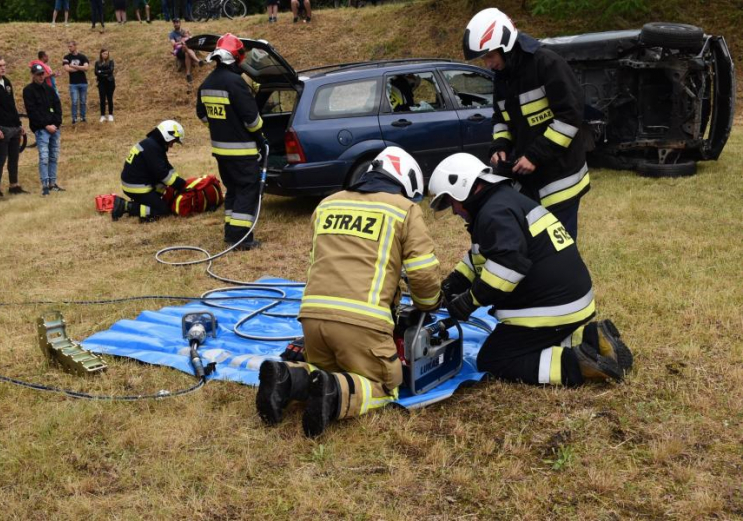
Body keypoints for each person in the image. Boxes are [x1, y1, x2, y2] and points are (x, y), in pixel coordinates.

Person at [256, 147, 441, 437]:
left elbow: (315, 262)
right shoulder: (404, 210)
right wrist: (428, 304)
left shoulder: (327, 204)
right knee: (384, 383)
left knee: (323, 370)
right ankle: (335, 394)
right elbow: (423, 272)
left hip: (312, 322)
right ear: (405, 182)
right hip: (363, 325)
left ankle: (286, 378)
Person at [427, 153, 632, 387]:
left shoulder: (493, 213)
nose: (454, 211)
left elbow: (509, 265)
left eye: (451, 202)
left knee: (494, 358)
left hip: (552, 308)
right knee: (527, 341)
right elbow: (486, 254)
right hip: (570, 300)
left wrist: (470, 301)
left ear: (462, 187)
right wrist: (455, 281)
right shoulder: (501, 202)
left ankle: (576, 364)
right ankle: (592, 339)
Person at [463, 8, 589, 240]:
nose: (488, 64)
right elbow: (501, 118)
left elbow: (570, 116)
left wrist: (535, 155)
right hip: (528, 182)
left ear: (506, 46)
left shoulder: (547, 64)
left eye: (490, 56)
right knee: (534, 247)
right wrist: (499, 146)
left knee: (560, 248)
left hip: (560, 180)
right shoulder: (503, 77)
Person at [197, 33, 265, 250]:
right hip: (242, 152)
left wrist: (221, 128)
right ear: (235, 58)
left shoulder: (207, 83)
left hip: (221, 152)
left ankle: (230, 233)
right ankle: (242, 239)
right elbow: (252, 120)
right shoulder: (235, 83)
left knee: (233, 190)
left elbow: (202, 114)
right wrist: (261, 139)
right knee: (247, 190)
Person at [111, 120, 187, 222]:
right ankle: (126, 206)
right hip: (137, 187)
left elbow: (166, 166)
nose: (171, 145)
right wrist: (181, 185)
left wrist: (180, 181)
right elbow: (163, 174)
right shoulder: (153, 148)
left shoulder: (153, 144)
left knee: (161, 189)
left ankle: (146, 201)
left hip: (137, 182)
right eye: (173, 141)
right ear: (167, 136)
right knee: (163, 211)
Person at [0, 55, 29, 196]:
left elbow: (11, 104)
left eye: (4, 65)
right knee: (1, 158)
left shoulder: (6, 81)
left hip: (13, 126)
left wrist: (19, 124)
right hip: (0, 127)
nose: (3, 68)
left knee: (14, 157)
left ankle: (14, 185)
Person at [23, 63, 63, 196]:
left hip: (54, 128)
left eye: (42, 74)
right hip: (41, 129)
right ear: (33, 75)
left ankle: (53, 183)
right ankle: (45, 185)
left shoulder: (49, 89)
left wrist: (56, 124)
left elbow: (57, 106)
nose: (40, 77)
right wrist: (46, 125)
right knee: (44, 157)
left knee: (53, 156)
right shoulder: (28, 90)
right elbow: (32, 111)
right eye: (38, 74)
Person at [63, 41, 90, 124]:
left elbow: (86, 68)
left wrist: (73, 66)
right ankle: (74, 118)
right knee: (74, 101)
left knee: (83, 101)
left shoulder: (82, 57)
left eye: (71, 46)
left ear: (75, 46)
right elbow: (67, 69)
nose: (69, 48)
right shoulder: (66, 57)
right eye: (68, 46)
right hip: (73, 83)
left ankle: (83, 117)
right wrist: (80, 68)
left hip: (83, 83)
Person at [170, 19, 203, 83]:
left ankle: (188, 74)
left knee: (187, 53)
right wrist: (181, 42)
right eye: (174, 23)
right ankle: (198, 61)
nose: (175, 24)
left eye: (177, 22)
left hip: (186, 50)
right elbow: (173, 44)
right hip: (179, 51)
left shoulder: (184, 31)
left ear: (180, 23)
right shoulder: (172, 34)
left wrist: (189, 36)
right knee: (185, 46)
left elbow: (191, 38)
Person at [94, 48, 116, 122]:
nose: (105, 55)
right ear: (101, 54)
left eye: (106, 54)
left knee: (110, 98)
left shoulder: (111, 62)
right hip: (101, 83)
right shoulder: (97, 62)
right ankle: (102, 115)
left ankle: (110, 114)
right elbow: (96, 72)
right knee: (102, 99)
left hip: (110, 82)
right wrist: (104, 73)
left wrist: (101, 72)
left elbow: (110, 70)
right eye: (104, 53)